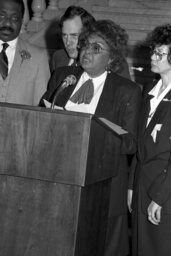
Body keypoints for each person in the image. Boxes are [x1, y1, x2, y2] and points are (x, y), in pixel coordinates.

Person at [40, 19, 141, 256]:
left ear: (113, 57)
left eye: (97, 48)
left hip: (104, 186)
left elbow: (130, 143)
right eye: (86, 45)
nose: (86, 51)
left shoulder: (126, 91)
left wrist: (97, 132)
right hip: (60, 179)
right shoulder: (62, 76)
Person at [128, 23, 171, 256]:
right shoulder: (150, 90)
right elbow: (140, 143)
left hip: (164, 192)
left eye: (160, 53)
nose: (152, 57)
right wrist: (131, 184)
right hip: (142, 187)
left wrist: (161, 197)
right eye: (153, 51)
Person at [50, 5, 131, 79]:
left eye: (74, 35)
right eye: (64, 35)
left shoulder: (112, 61)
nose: (68, 43)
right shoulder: (58, 58)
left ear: (88, 35)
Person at [0, 0, 50, 105]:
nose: (8, 23)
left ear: (22, 21)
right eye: (2, 16)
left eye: (14, 18)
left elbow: (41, 109)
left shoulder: (39, 57)